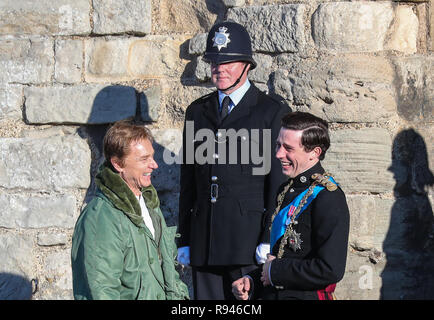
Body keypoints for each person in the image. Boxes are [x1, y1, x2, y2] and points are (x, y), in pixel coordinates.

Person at [177, 21, 291, 300]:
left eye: (228, 62)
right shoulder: (197, 111)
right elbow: (189, 180)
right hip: (206, 240)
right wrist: (185, 237)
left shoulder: (270, 112)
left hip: (248, 242)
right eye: (214, 62)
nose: (220, 69)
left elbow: (278, 184)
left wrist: (269, 238)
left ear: (247, 65)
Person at [232, 112, 350, 300]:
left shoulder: (328, 197)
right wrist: (253, 280)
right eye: (278, 145)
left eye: (288, 148)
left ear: (315, 153)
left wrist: (274, 271)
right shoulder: (286, 189)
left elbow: (330, 269)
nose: (279, 154)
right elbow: (282, 255)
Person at [71, 119, 189, 300]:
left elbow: (168, 271)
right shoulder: (100, 218)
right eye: (144, 159)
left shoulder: (149, 204)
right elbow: (102, 292)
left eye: (152, 156)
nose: (154, 165)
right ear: (118, 164)